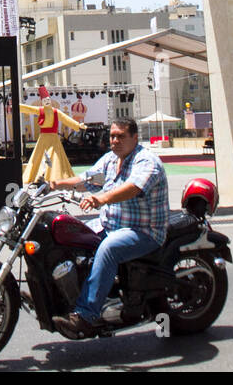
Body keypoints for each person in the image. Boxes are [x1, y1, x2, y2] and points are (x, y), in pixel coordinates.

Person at [48, 117, 169, 338]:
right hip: (111, 224)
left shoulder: (146, 161)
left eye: (121, 136)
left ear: (134, 137)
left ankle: (86, 315)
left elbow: (132, 188)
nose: (114, 141)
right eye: (112, 136)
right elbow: (86, 180)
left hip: (144, 231)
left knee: (109, 249)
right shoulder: (111, 160)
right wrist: (53, 185)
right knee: (74, 235)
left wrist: (101, 199)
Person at [18, 85, 83, 184]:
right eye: (44, 100)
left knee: (55, 156)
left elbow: (66, 119)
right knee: (39, 157)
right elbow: (29, 109)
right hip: (43, 138)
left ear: (50, 100)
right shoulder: (40, 110)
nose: (47, 101)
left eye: (48, 99)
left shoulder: (56, 112)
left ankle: (55, 176)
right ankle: (40, 175)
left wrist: (78, 125)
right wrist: (17, 106)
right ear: (42, 102)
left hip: (53, 138)